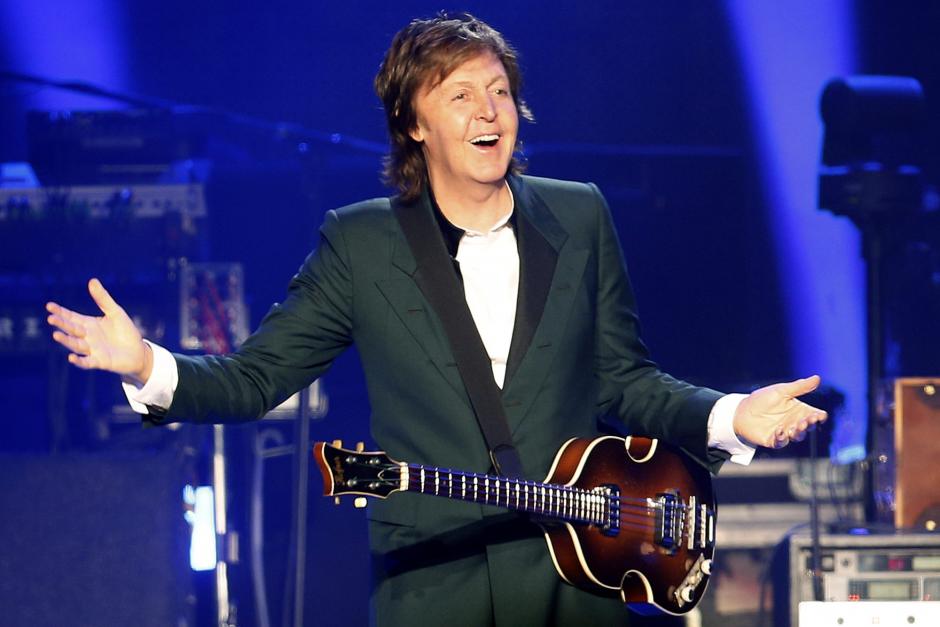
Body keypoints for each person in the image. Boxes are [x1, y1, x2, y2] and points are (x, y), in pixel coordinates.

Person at [46, 13, 826, 626]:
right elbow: (255, 378)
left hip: (573, 586)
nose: (489, 112)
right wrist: (146, 363)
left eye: (499, 91)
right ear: (413, 123)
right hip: (434, 586)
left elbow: (627, 379)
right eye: (460, 95)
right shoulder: (360, 243)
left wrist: (732, 414)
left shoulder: (580, 215)